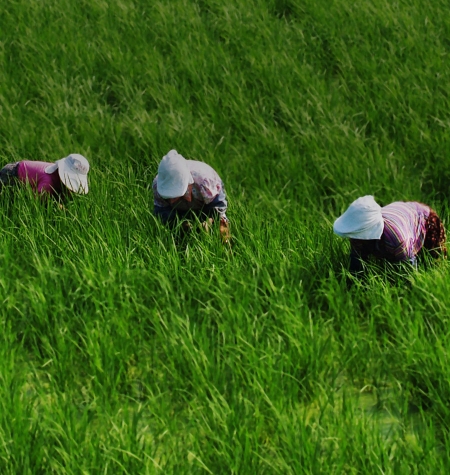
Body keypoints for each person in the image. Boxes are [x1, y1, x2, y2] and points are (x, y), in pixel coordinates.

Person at [333, 195, 447, 275]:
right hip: (399, 212)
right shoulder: (357, 237)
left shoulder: (396, 239)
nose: (353, 239)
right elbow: (356, 264)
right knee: (361, 250)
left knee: (433, 257)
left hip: (424, 217)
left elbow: (409, 269)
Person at [153, 149, 230, 243]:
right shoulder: (158, 185)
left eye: (175, 196)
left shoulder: (204, 180)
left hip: (206, 199)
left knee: (219, 224)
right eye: (168, 197)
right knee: (174, 226)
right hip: (180, 210)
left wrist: (213, 220)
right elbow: (162, 210)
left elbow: (217, 205)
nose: (172, 201)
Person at [0, 153, 90, 200]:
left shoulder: (55, 172)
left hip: (18, 169)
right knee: (8, 200)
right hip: (11, 174)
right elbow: (35, 202)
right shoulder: (48, 182)